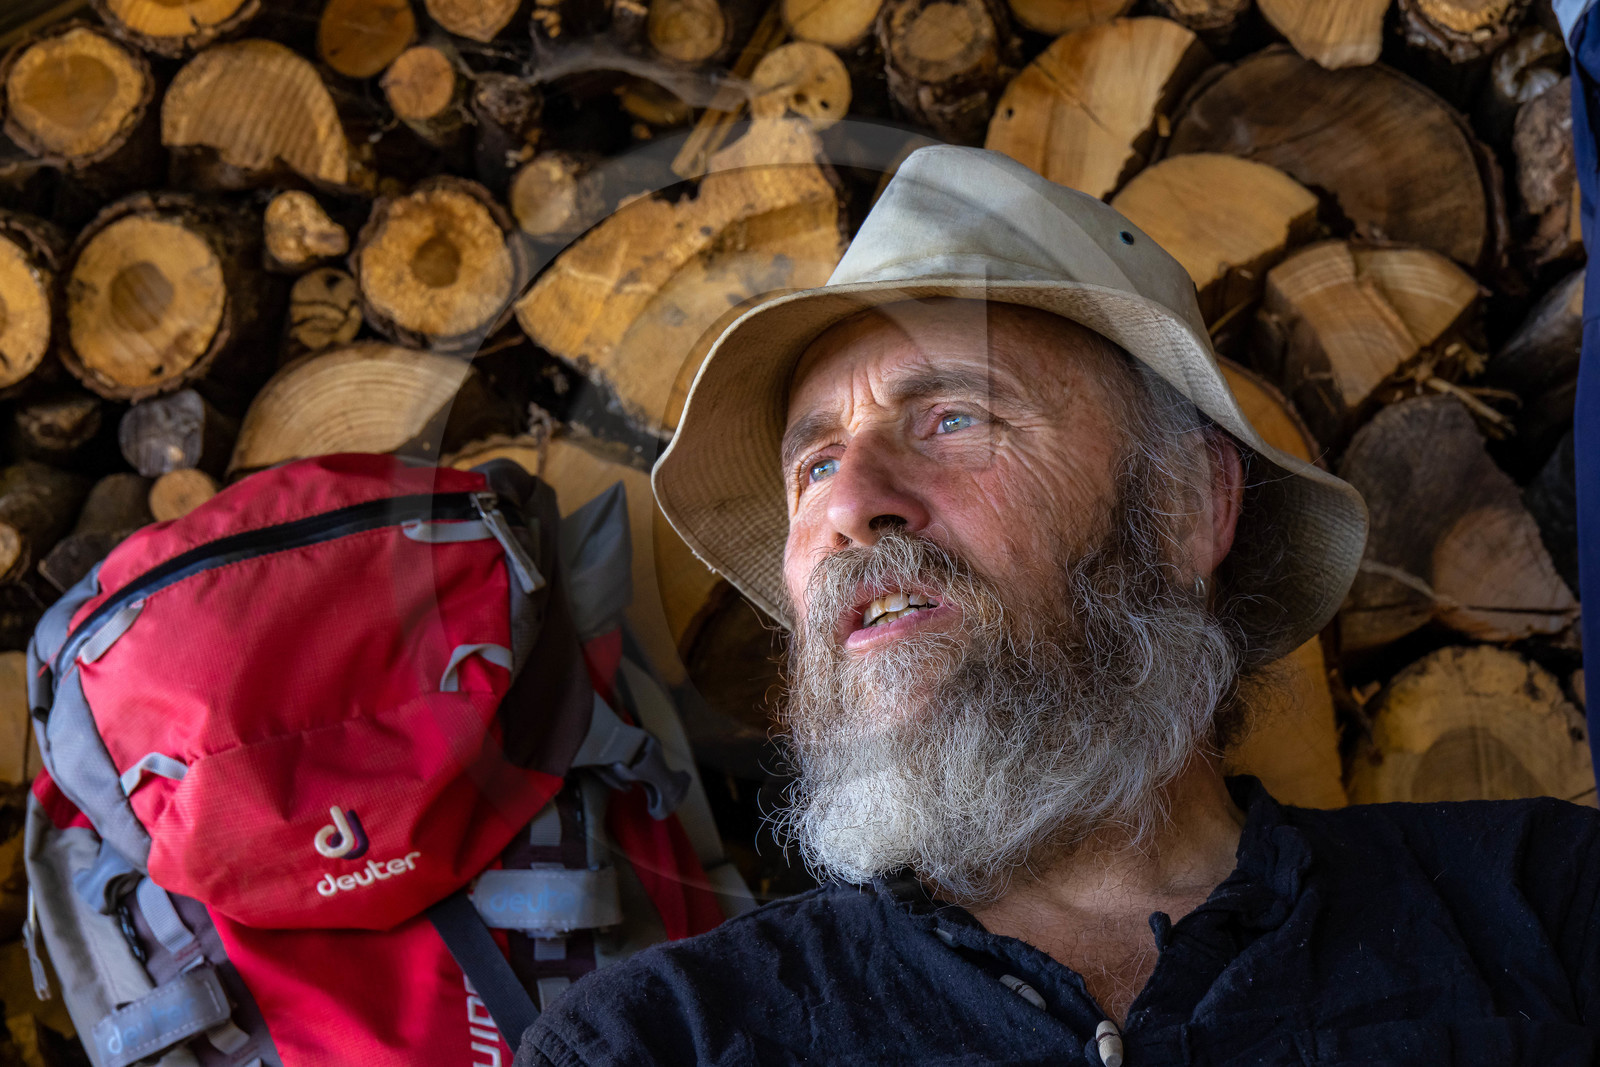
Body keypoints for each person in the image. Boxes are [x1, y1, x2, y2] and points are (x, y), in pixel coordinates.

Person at [515, 146, 1600, 1066]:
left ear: (1185, 506)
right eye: (813, 466)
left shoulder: (1545, 908)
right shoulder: (655, 1042)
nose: (848, 504)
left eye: (950, 417)